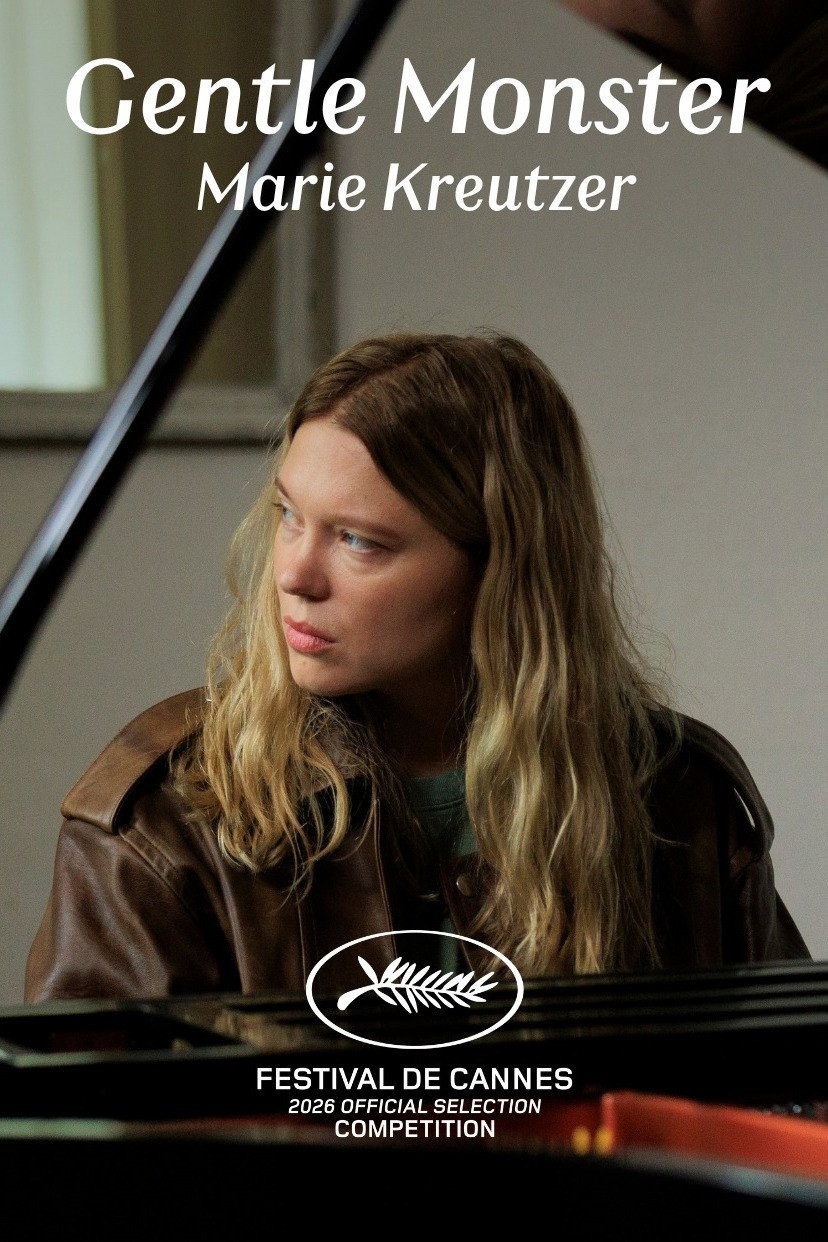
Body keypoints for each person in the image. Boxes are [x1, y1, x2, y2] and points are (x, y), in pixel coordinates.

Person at [25, 332, 808, 1002]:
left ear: (500, 571)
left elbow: (784, 1097)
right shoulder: (165, 819)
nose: (293, 574)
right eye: (289, 516)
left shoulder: (678, 800)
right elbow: (90, 1121)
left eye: (358, 540)